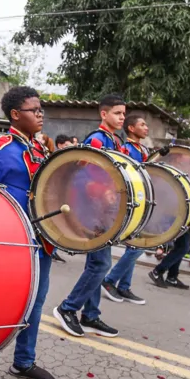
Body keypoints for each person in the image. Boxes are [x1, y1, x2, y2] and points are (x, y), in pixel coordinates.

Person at [0, 86, 55, 379]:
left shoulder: (39, 148)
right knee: (3, 303)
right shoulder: (0, 148)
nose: (40, 114)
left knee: (35, 303)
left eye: (41, 109)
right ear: (16, 115)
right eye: (34, 110)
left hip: (42, 239)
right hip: (13, 241)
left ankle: (24, 361)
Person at [54, 94, 127, 339]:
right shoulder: (96, 140)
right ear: (103, 114)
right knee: (101, 264)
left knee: (95, 264)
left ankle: (91, 315)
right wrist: (100, 191)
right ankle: (68, 308)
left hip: (104, 211)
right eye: (117, 113)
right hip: (92, 211)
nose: (122, 117)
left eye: (124, 114)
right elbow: (80, 174)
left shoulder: (113, 140)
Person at [101, 114, 149, 305]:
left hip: (140, 201)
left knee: (135, 245)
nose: (146, 128)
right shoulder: (127, 149)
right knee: (136, 246)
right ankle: (111, 280)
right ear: (131, 128)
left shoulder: (141, 148)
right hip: (128, 202)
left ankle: (124, 286)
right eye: (142, 124)